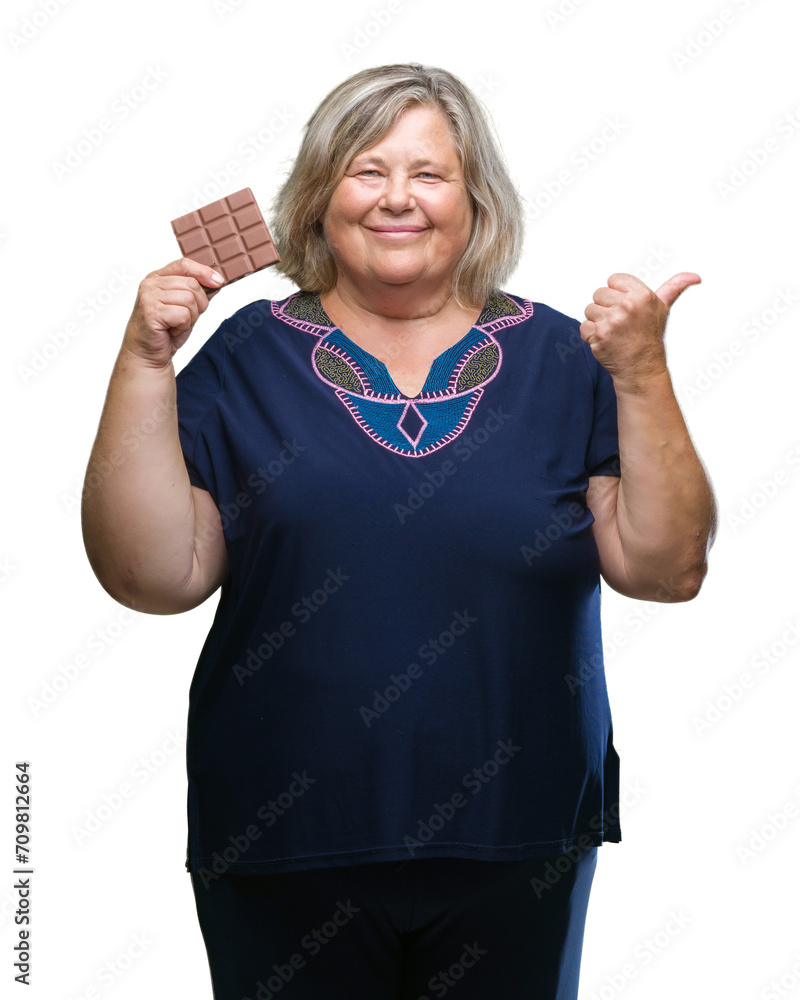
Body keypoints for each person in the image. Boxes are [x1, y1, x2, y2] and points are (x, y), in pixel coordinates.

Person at [81, 63, 717, 1000]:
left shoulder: (564, 356)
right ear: (319, 195)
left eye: (429, 173)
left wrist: (642, 375)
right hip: (282, 833)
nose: (397, 199)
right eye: (366, 169)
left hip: (519, 829)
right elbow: (152, 575)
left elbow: (666, 570)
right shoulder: (246, 354)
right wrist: (143, 358)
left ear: (477, 200)